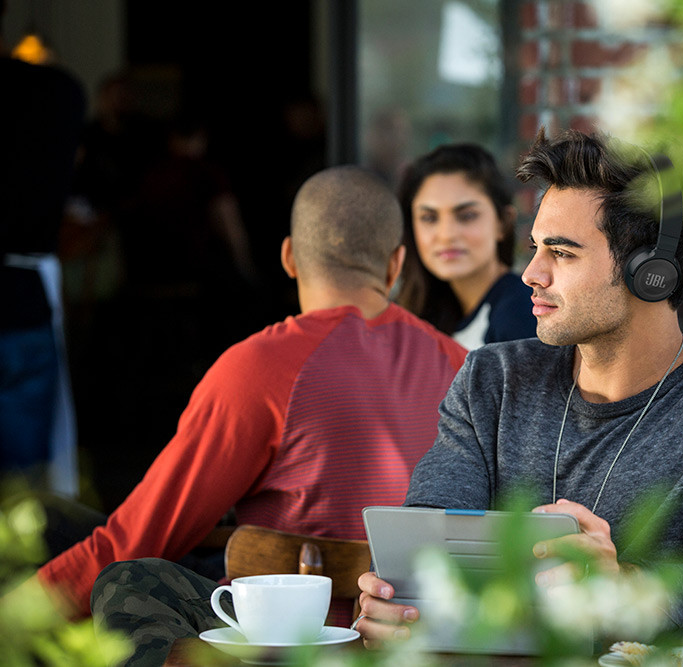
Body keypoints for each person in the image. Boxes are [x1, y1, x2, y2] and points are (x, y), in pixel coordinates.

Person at [355, 129, 683, 641]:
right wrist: (401, 602)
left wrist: (620, 585)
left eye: (561, 253)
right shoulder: (491, 380)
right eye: (536, 248)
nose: (531, 274)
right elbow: (427, 537)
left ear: (651, 272)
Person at [28, 166, 467, 633]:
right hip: (421, 639)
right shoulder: (465, 365)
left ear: (289, 258)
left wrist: (15, 620)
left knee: (54, 534)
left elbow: (139, 539)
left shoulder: (262, 367)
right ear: (396, 265)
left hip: (285, 640)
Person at [0, 0, 86, 494]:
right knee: (25, 491)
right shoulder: (56, 92)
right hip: (23, 296)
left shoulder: (54, 90)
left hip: (24, 295)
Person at [395, 144, 535, 349]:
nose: (446, 234)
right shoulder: (428, 313)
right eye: (429, 218)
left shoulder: (520, 313)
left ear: (503, 223)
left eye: (467, 216)